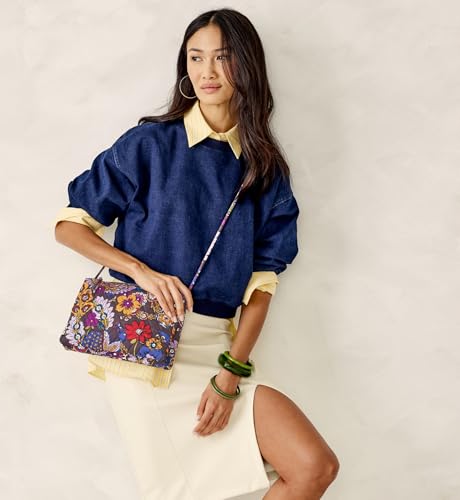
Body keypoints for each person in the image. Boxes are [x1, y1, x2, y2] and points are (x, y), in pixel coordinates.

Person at [54, 8, 339, 500]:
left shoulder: (265, 171)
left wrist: (230, 374)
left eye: (222, 58)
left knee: (314, 467)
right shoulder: (149, 144)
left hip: (218, 350)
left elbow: (262, 287)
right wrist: (141, 271)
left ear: (246, 66)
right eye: (196, 57)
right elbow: (69, 226)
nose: (207, 71)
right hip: (141, 347)